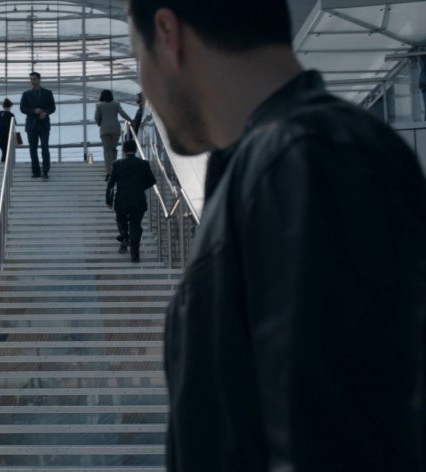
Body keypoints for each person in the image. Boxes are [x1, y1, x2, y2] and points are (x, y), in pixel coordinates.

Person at [127, 1, 426, 471]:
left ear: (168, 33)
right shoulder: (282, 164)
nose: (143, 89)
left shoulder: (301, 161)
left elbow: (333, 444)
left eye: (135, 56)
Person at [106, 140, 156, 263]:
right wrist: (139, 188)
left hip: (121, 200)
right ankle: (135, 255)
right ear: (136, 150)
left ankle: (124, 237)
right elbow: (152, 181)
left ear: (123, 150)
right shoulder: (143, 164)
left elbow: (111, 184)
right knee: (135, 226)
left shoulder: (117, 164)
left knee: (120, 219)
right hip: (138, 200)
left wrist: (109, 199)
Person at [20, 72, 56, 179]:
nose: (32, 81)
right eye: (31, 79)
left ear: (39, 79)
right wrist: (34, 111)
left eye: (34, 79)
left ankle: (45, 170)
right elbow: (23, 108)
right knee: (33, 149)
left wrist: (46, 113)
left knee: (45, 147)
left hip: (44, 124)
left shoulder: (48, 93)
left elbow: (52, 107)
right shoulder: (26, 94)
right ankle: (36, 171)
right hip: (32, 125)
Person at [95, 89, 132, 178]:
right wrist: (131, 121)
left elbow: (96, 117)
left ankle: (109, 171)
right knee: (113, 149)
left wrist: (99, 123)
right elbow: (122, 114)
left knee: (107, 151)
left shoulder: (99, 105)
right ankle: (114, 167)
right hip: (115, 129)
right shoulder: (116, 104)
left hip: (104, 130)